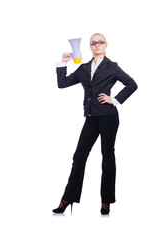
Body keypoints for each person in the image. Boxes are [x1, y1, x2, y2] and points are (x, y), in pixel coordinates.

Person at [53, 33, 137, 215]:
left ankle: (106, 200)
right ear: (90, 47)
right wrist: (63, 63)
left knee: (107, 156)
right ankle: (67, 198)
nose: (97, 45)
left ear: (106, 45)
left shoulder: (112, 67)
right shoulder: (83, 68)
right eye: (93, 43)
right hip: (91, 117)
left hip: (108, 116)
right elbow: (63, 83)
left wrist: (114, 100)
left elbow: (132, 84)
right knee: (79, 157)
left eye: (100, 42)